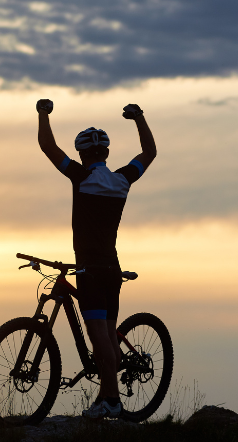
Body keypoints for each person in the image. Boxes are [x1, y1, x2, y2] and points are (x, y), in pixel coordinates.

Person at [35, 99, 157, 419]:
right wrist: (138, 118)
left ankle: (113, 401)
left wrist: (43, 113)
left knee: (98, 336)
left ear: (81, 153)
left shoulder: (81, 177)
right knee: (107, 332)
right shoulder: (121, 180)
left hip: (89, 268)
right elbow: (149, 153)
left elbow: (47, 145)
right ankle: (105, 395)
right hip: (112, 268)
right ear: (106, 153)